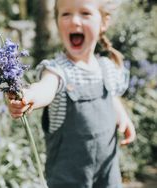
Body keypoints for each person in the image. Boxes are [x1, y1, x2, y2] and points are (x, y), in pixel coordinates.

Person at [7, 0, 136, 187]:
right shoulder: (57, 70)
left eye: (85, 13)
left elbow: (111, 96)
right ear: (57, 21)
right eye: (66, 14)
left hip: (108, 177)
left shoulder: (106, 68)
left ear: (103, 22)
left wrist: (123, 117)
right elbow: (46, 87)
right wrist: (28, 95)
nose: (74, 21)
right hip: (68, 180)